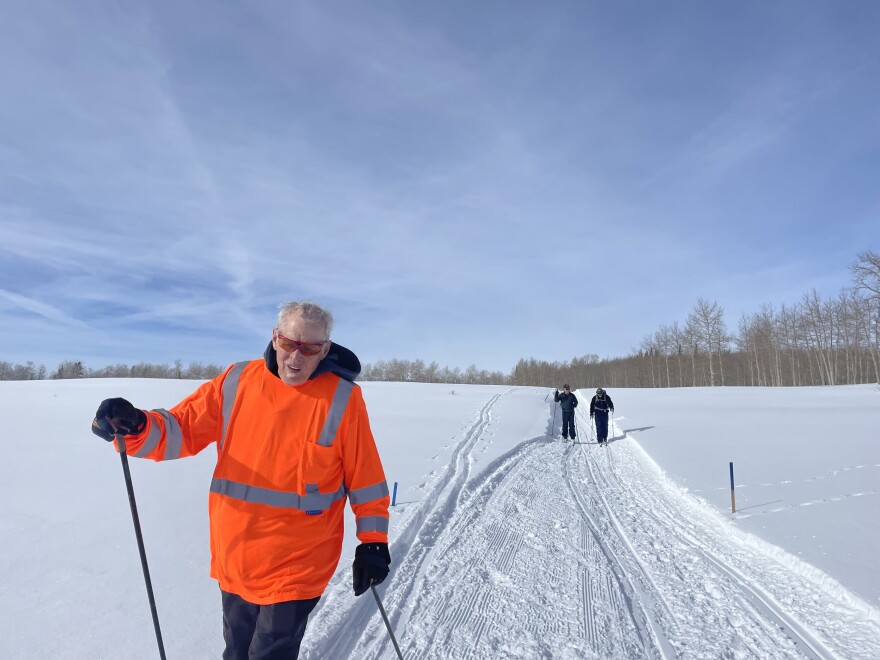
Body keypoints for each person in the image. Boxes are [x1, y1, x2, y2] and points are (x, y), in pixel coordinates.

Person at [91, 301, 391, 660]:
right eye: (289, 343)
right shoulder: (236, 381)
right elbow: (180, 430)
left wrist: (372, 541)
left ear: (324, 349)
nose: (296, 357)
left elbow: (365, 477)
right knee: (236, 651)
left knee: (269, 654)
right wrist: (137, 426)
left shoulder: (343, 399)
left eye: (310, 348)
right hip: (236, 557)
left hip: (299, 563)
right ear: (275, 337)